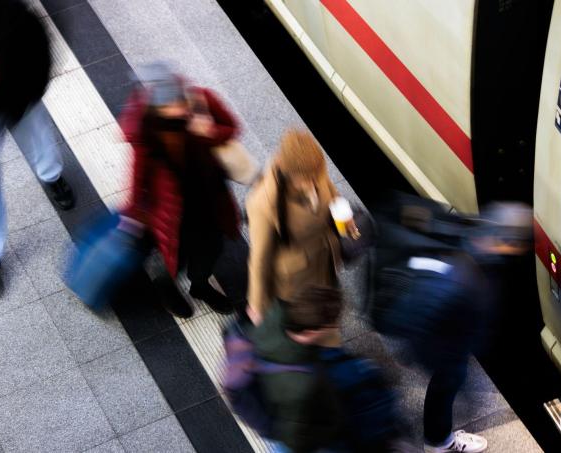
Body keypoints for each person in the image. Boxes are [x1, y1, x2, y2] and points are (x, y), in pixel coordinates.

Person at [371, 197, 535, 453]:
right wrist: (451, 370)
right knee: (445, 385)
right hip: (440, 344)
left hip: (442, 333)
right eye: (520, 244)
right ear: (508, 242)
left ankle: (439, 437)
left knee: (447, 381)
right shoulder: (465, 279)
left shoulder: (467, 234)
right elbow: (424, 318)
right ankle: (439, 443)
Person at [0, 0, 75, 298]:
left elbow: (39, 47)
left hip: (19, 90)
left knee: (39, 135)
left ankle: (52, 176)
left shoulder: (9, 12)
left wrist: (30, 90)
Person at [119, 62, 244, 317]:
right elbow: (138, 172)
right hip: (172, 212)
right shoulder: (147, 128)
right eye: (170, 106)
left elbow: (232, 127)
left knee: (210, 251)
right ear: (157, 108)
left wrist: (209, 130)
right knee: (175, 256)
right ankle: (165, 286)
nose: (180, 108)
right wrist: (131, 213)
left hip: (209, 200)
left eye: (179, 100)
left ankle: (200, 286)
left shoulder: (202, 100)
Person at [249, 285, 404, 452]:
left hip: (285, 413)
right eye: (332, 326)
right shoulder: (304, 383)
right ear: (311, 332)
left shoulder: (275, 317)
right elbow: (299, 437)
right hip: (314, 437)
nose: (337, 329)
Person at [246, 130, 342, 324]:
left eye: (318, 175)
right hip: (296, 279)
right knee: (303, 323)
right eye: (308, 179)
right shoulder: (263, 203)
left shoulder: (314, 169)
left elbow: (333, 196)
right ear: (290, 175)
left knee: (326, 307)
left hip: (325, 257)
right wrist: (257, 305)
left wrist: (346, 222)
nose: (316, 182)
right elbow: (260, 258)